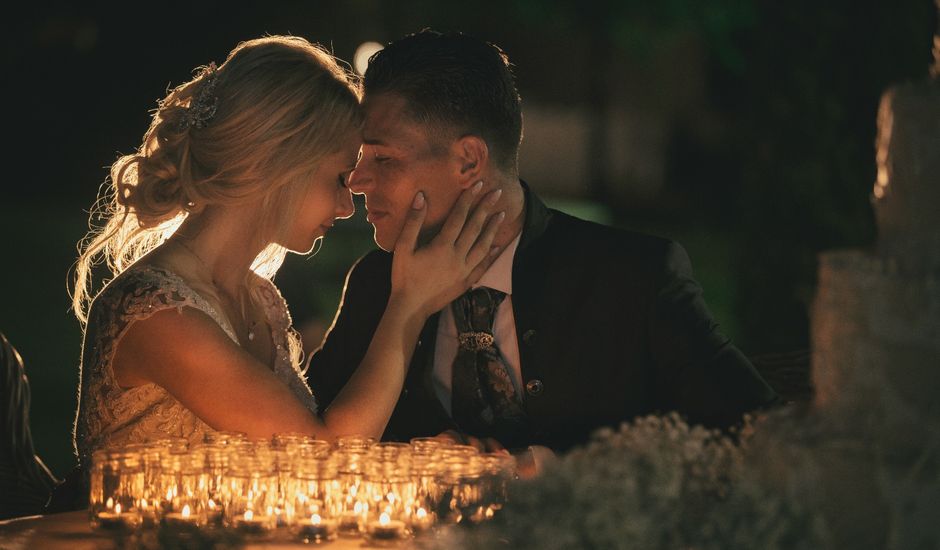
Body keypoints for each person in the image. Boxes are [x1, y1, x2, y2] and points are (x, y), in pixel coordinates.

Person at [307, 30, 778, 458]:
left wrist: (560, 471)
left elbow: (759, 435)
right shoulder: (375, 284)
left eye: (383, 158)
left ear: (469, 161)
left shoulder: (633, 278)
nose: (359, 180)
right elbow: (305, 445)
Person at [68, 35, 504, 474]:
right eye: (339, 177)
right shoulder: (155, 314)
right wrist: (408, 305)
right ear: (279, 166)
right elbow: (321, 457)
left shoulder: (261, 300)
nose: (347, 204)